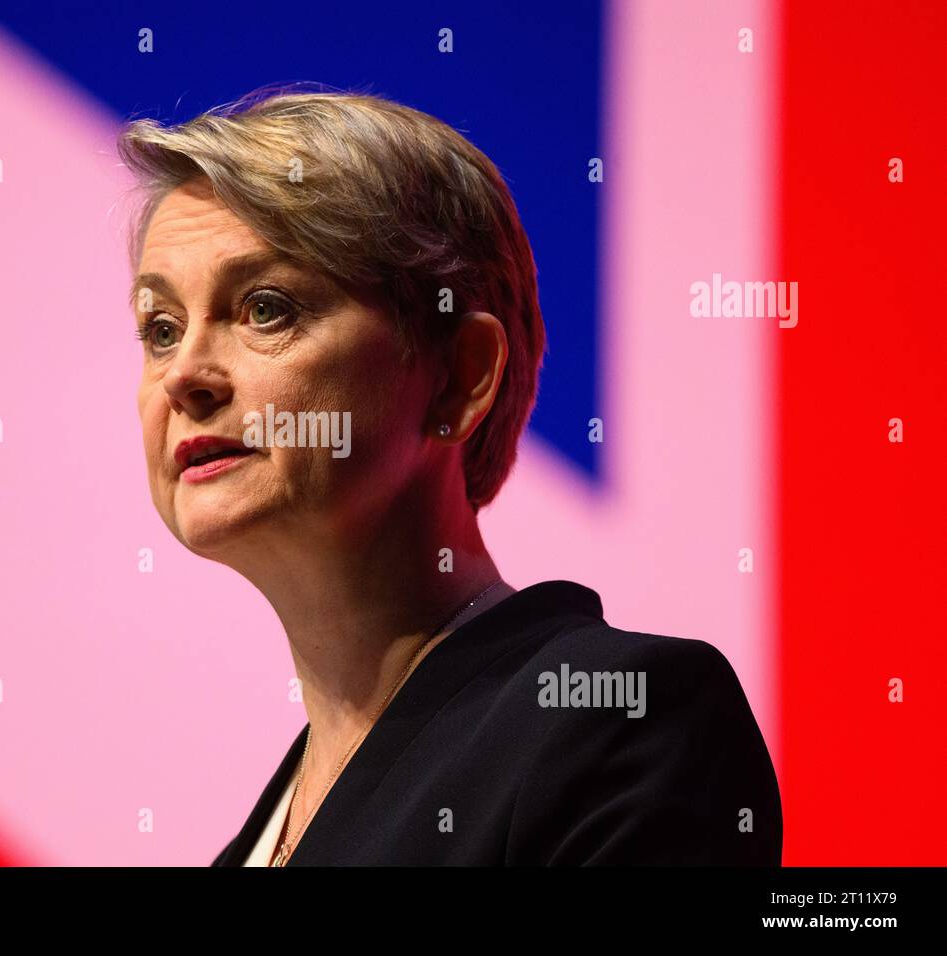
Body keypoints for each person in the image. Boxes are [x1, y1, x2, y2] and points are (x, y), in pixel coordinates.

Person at [117, 85, 782, 866]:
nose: (184, 375)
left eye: (267, 308)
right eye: (160, 329)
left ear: (459, 377)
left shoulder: (619, 720)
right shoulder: (253, 846)